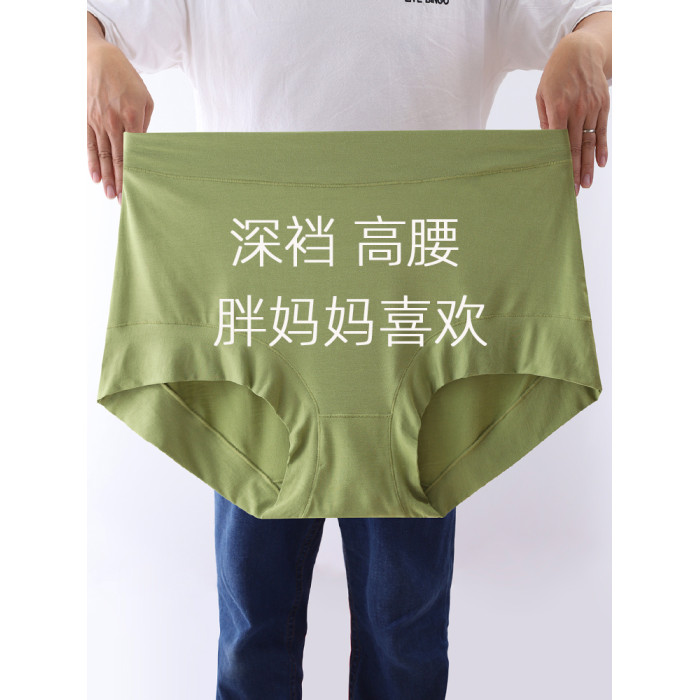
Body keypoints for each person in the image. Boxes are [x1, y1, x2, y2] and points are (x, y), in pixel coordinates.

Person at [87, 2, 612, 697]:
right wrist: (91, 54)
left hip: (415, 334)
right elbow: (87, 20)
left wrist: (590, 45)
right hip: (260, 332)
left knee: (405, 642)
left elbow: (601, 18)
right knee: (251, 638)